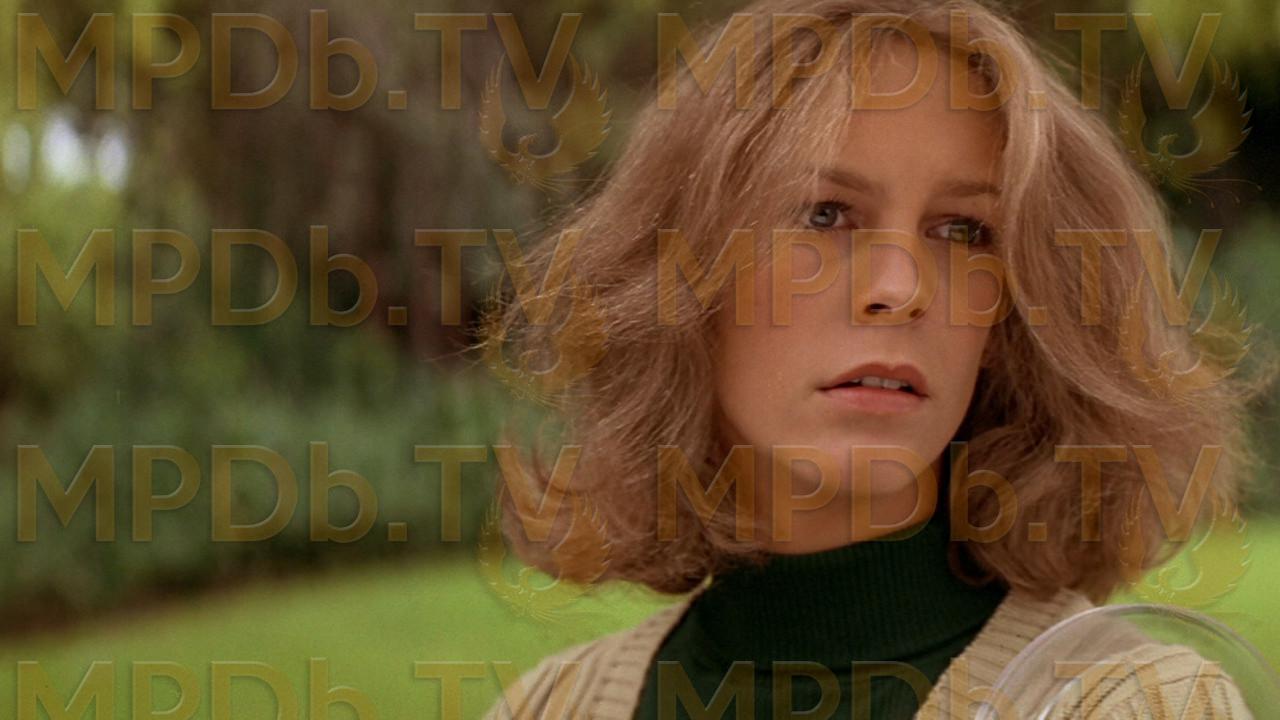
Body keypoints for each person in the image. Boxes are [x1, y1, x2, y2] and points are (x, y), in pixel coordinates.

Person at [476, 0, 1277, 717]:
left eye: (963, 231)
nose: (901, 288)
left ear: (1010, 319)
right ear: (681, 283)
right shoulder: (551, 705)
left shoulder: (1129, 704)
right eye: (825, 215)